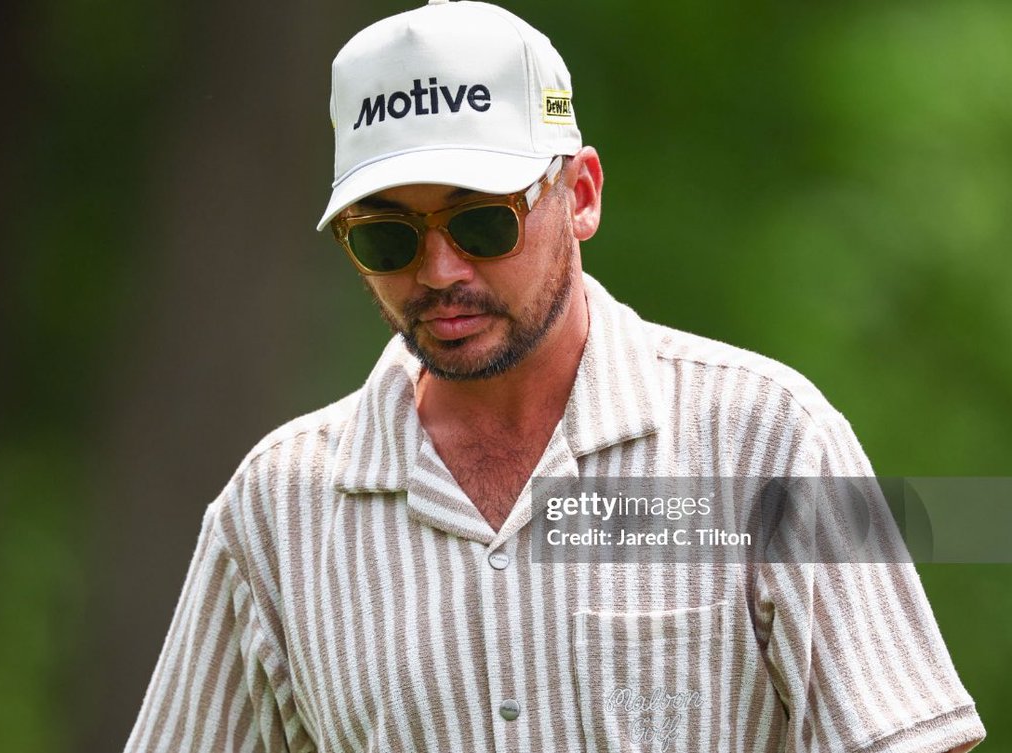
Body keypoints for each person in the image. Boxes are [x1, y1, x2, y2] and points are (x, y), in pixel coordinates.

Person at [124, 2, 985, 751]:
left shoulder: (775, 439)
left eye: (482, 222)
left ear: (581, 194)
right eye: (388, 237)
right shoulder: (274, 511)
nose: (440, 270)